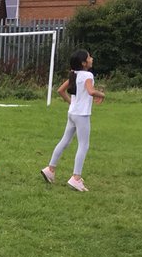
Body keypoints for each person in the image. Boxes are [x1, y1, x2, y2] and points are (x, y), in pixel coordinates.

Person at [40, 49, 105, 192]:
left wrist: (72, 103)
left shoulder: (73, 74)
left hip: (72, 113)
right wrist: (102, 94)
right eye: (89, 57)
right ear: (84, 63)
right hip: (82, 115)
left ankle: (50, 169)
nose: (91, 58)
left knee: (65, 141)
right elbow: (90, 91)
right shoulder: (88, 75)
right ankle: (76, 178)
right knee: (84, 145)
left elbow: (60, 91)